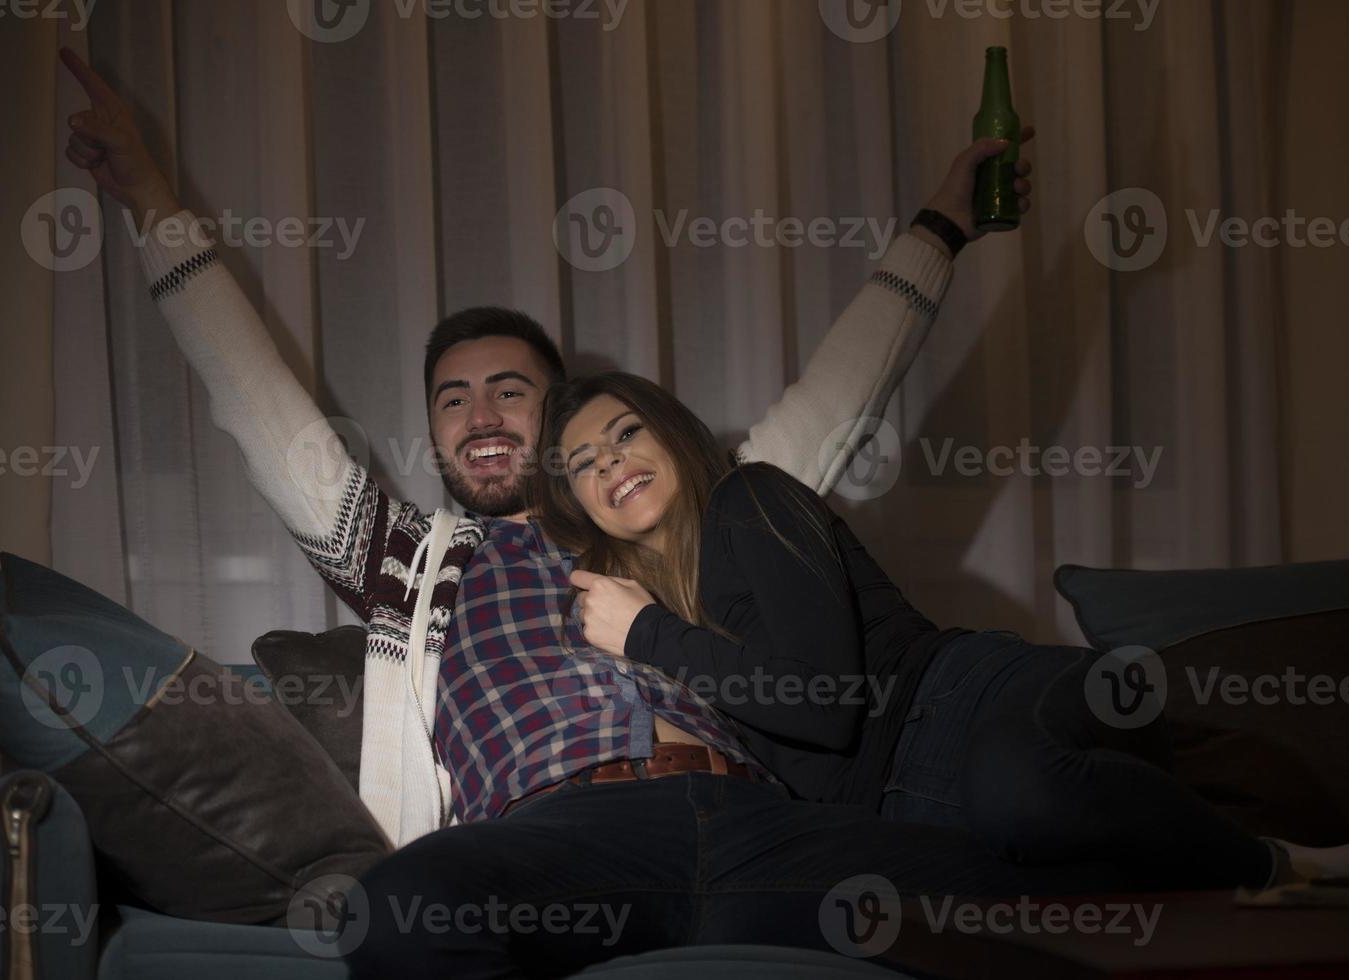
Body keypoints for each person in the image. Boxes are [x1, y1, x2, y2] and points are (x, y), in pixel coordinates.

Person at [56, 47, 1124, 980]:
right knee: (397, 916)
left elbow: (833, 403)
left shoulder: (662, 520)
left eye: (510, 390)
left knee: (1056, 913)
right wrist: (149, 195)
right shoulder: (408, 562)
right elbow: (261, 407)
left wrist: (938, 224)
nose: (480, 413)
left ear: (559, 414)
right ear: (432, 439)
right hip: (565, 837)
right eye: (452, 396)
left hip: (765, 821)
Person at [530, 370, 1349, 896]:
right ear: (575, 504)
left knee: (1023, 797)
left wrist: (646, 634)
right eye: (582, 463)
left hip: (970, 698)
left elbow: (825, 704)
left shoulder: (751, 501)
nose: (609, 461)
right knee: (1051, 886)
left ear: (671, 433)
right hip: (913, 810)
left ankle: (1268, 862)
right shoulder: (649, 615)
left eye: (625, 432)